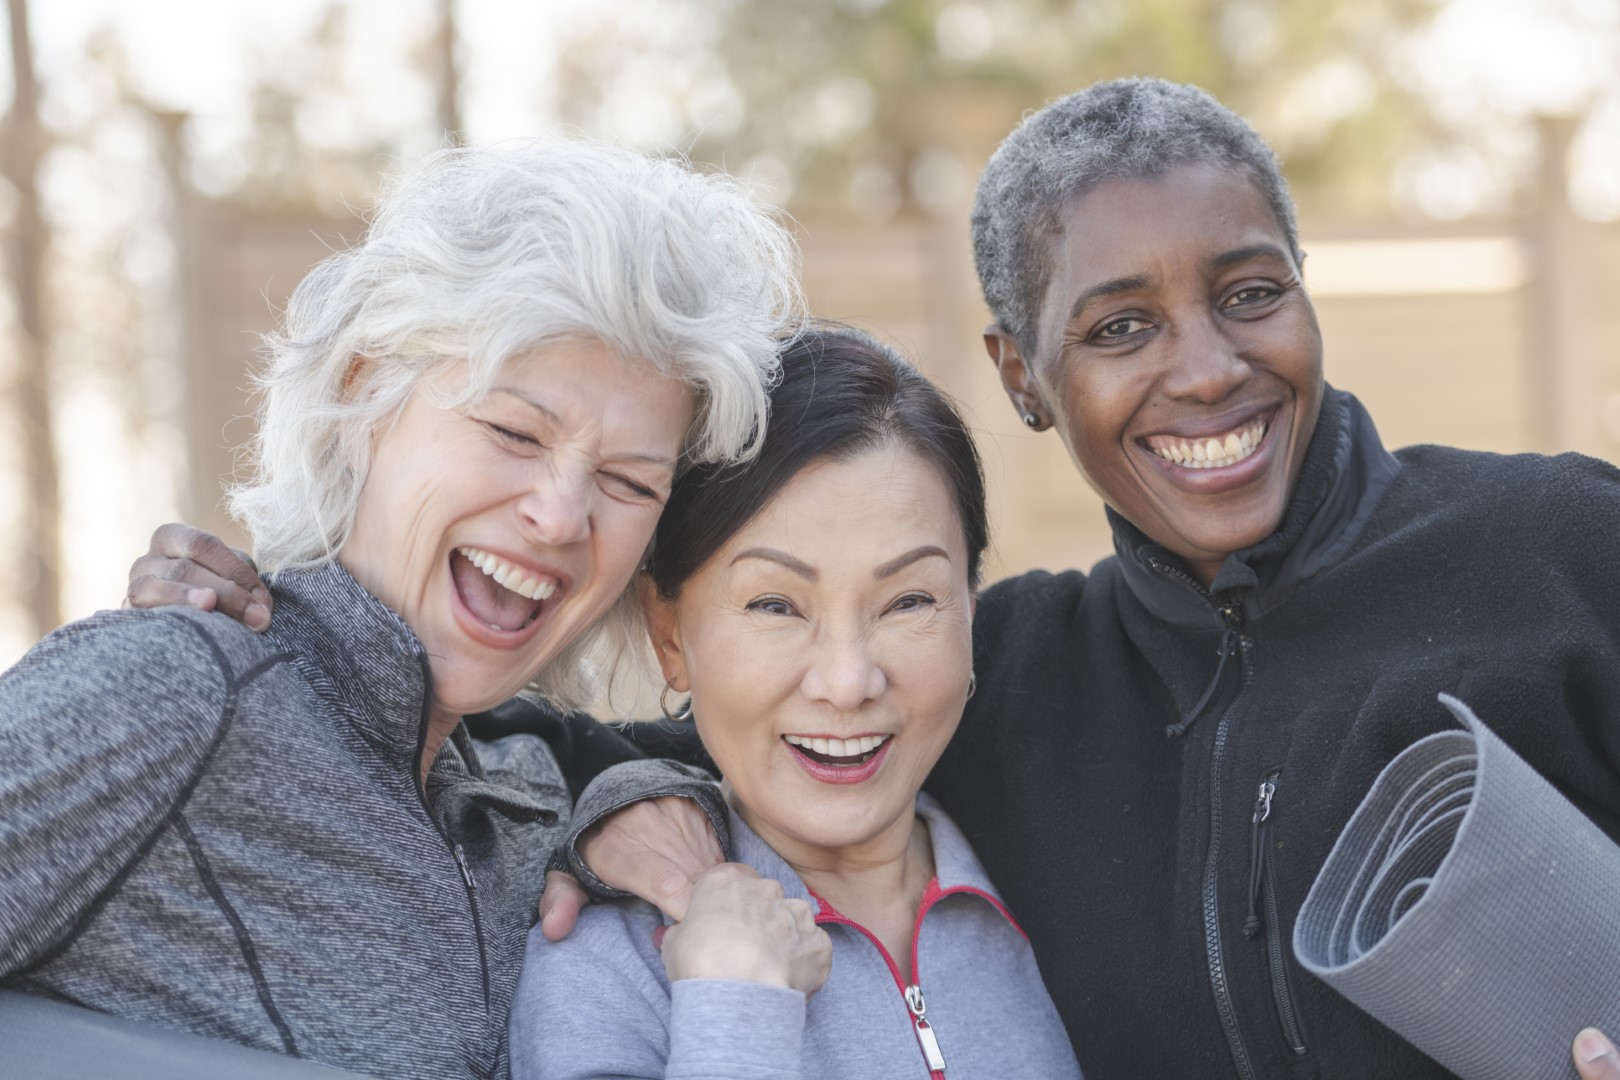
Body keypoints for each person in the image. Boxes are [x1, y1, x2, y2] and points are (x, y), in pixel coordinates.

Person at [125, 80, 1620, 1080]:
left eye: (1250, 295)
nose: (1207, 370)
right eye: (1116, 328)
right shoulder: (1016, 677)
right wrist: (293, 631)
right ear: (1023, 379)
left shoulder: (1558, 546)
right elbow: (600, 724)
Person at [0, 136, 809, 1080]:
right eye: (513, 431)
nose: (559, 516)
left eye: (629, 482)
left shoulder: (529, 797)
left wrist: (625, 801)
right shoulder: (175, 692)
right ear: (364, 396)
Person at [507, 326, 1082, 1079]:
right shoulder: (605, 965)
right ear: (669, 633)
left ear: (970, 615)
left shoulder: (1060, 885)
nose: (848, 683)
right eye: (776, 606)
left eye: (908, 600)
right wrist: (735, 1013)